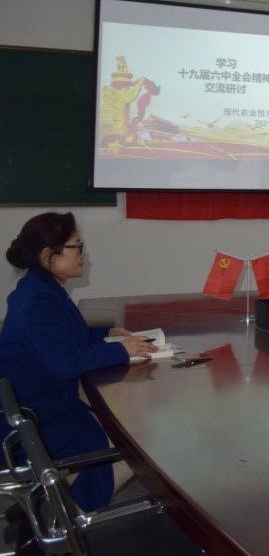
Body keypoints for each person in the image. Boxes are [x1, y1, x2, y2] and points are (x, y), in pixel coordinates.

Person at [0, 212, 158, 511]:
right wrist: (122, 350)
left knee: (127, 422)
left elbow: (63, 337)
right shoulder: (39, 300)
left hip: (40, 403)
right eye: (77, 246)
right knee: (133, 440)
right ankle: (75, 511)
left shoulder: (41, 288)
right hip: (38, 416)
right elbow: (66, 361)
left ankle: (60, 503)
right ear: (48, 255)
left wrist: (107, 335)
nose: (83, 254)